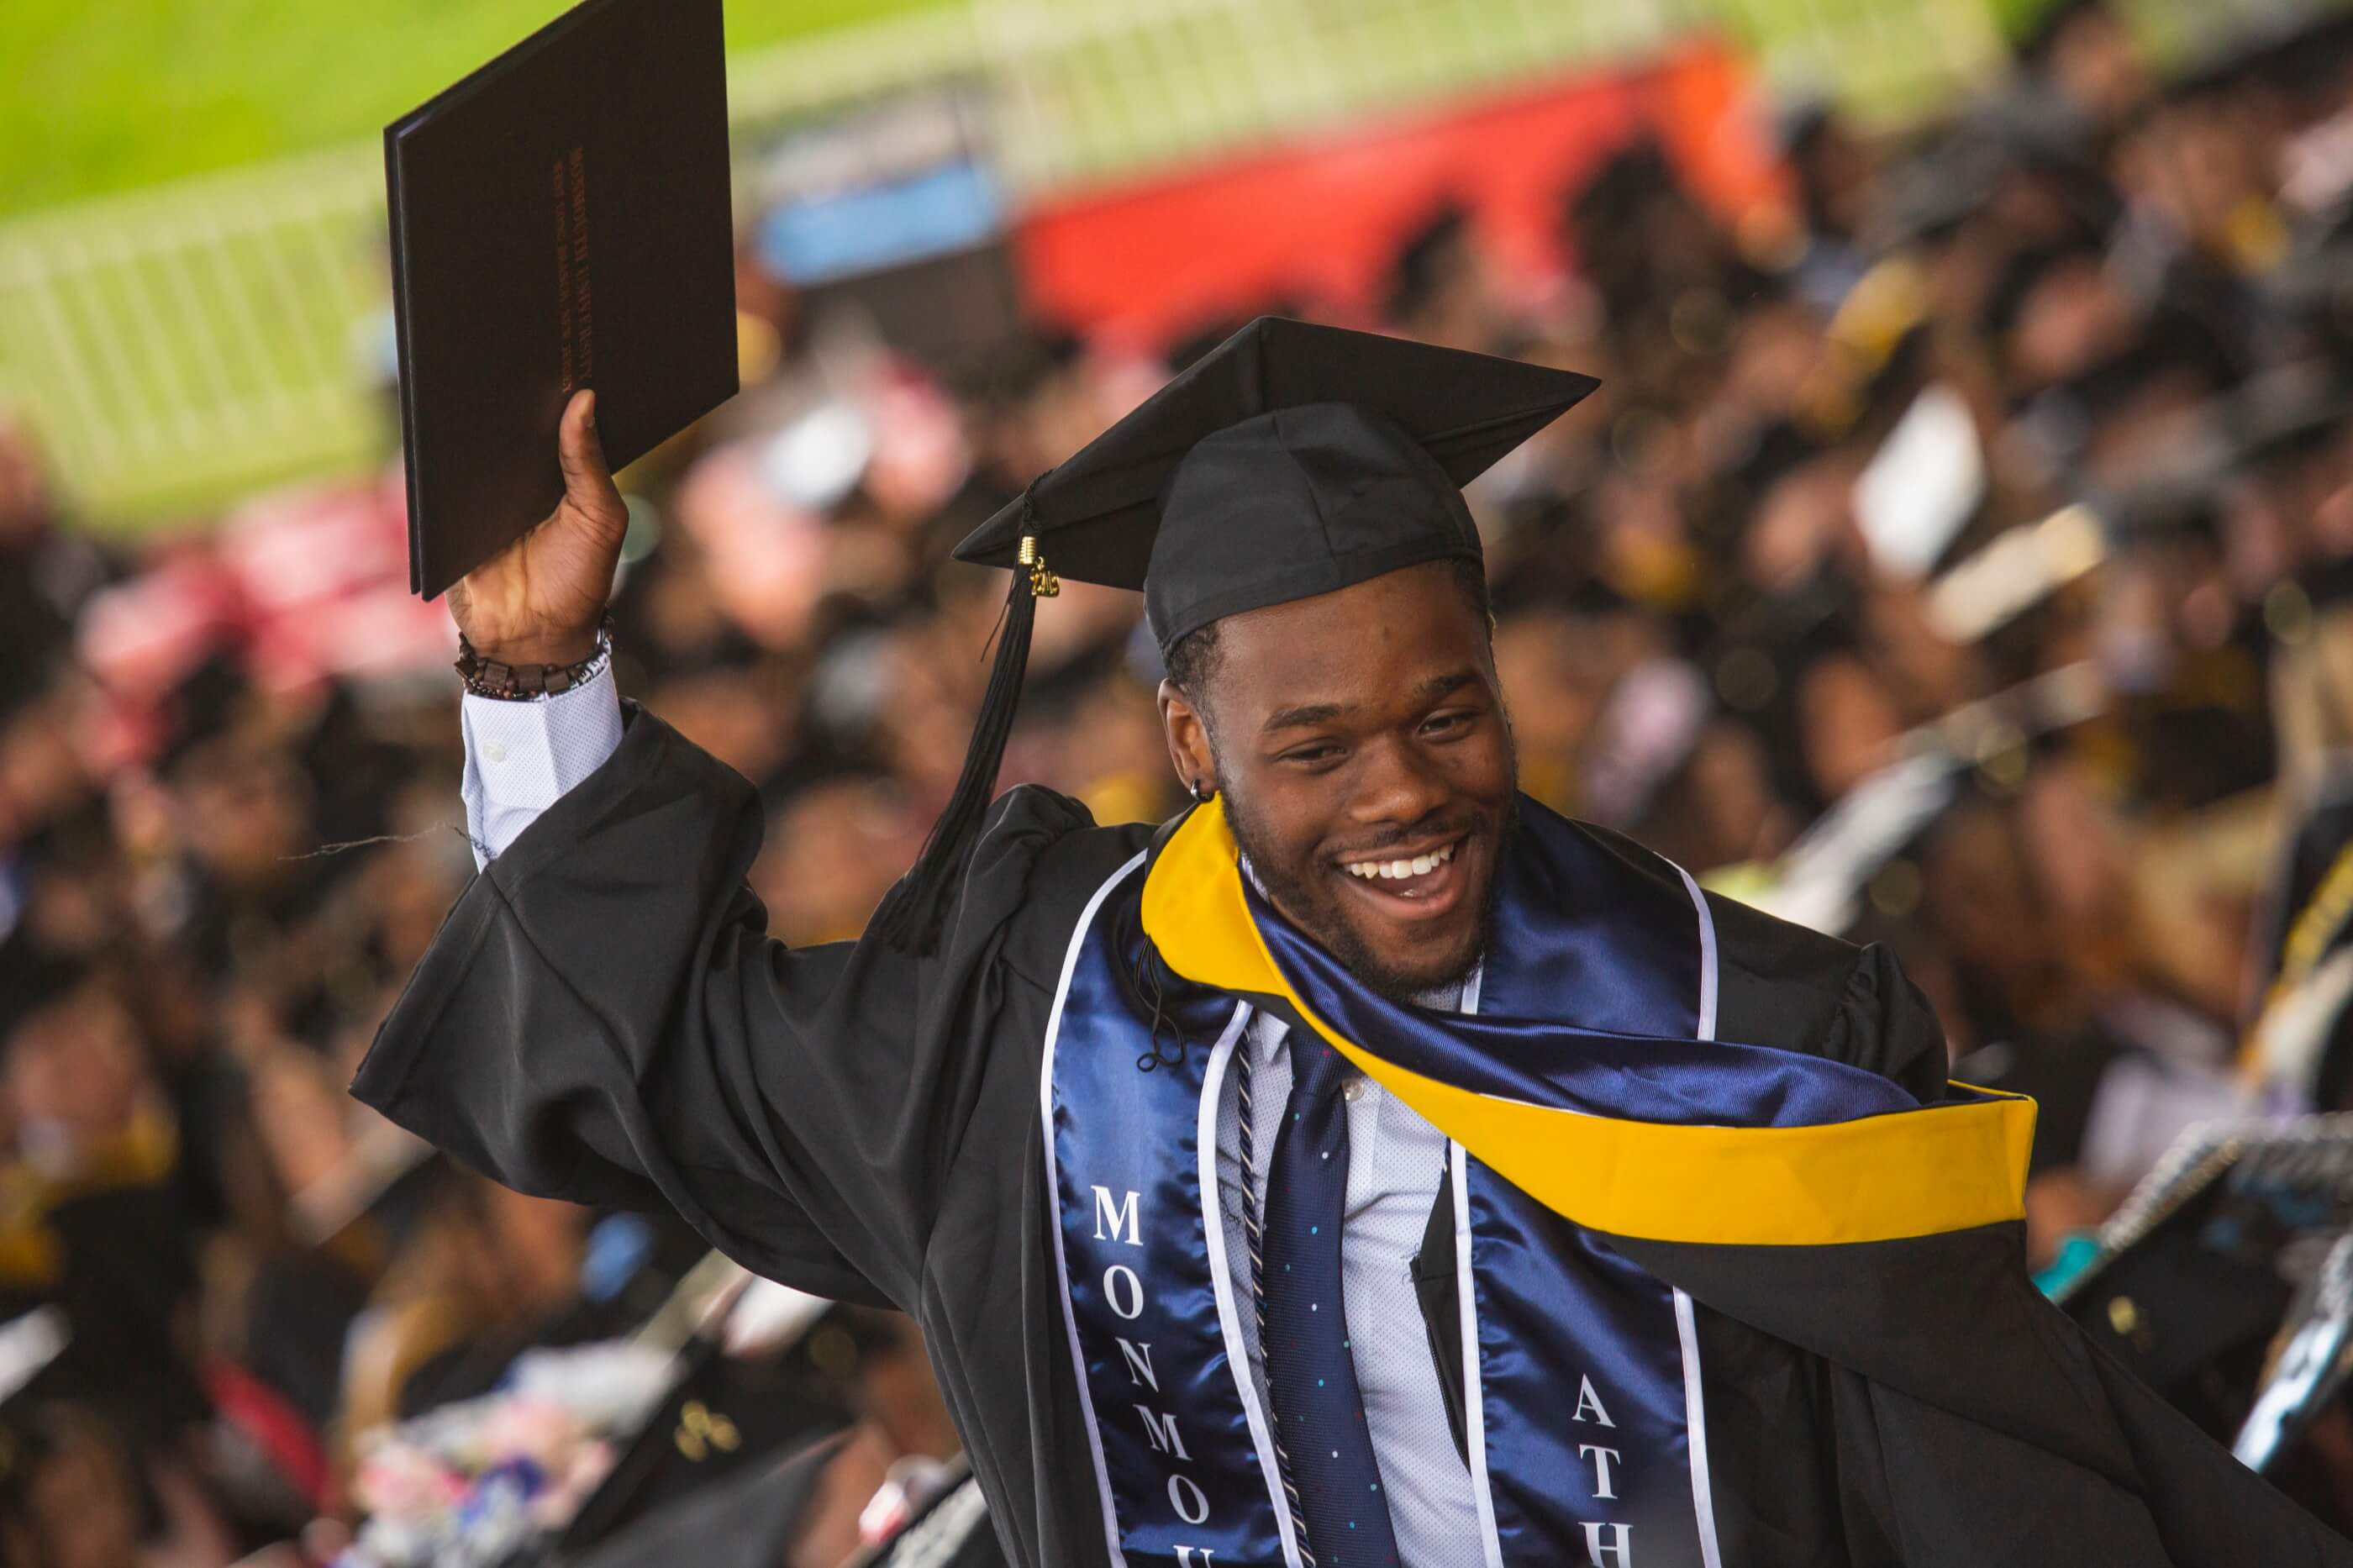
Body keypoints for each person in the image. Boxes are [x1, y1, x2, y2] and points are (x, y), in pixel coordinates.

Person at [354, 319, 2348, 1565]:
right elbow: (681, 1072)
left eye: (1445, 713)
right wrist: (534, 664)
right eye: (1310, 747)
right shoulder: (1028, 1009)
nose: (1401, 794)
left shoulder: (1755, 1030)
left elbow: (1990, 1486)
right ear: (1187, 742)